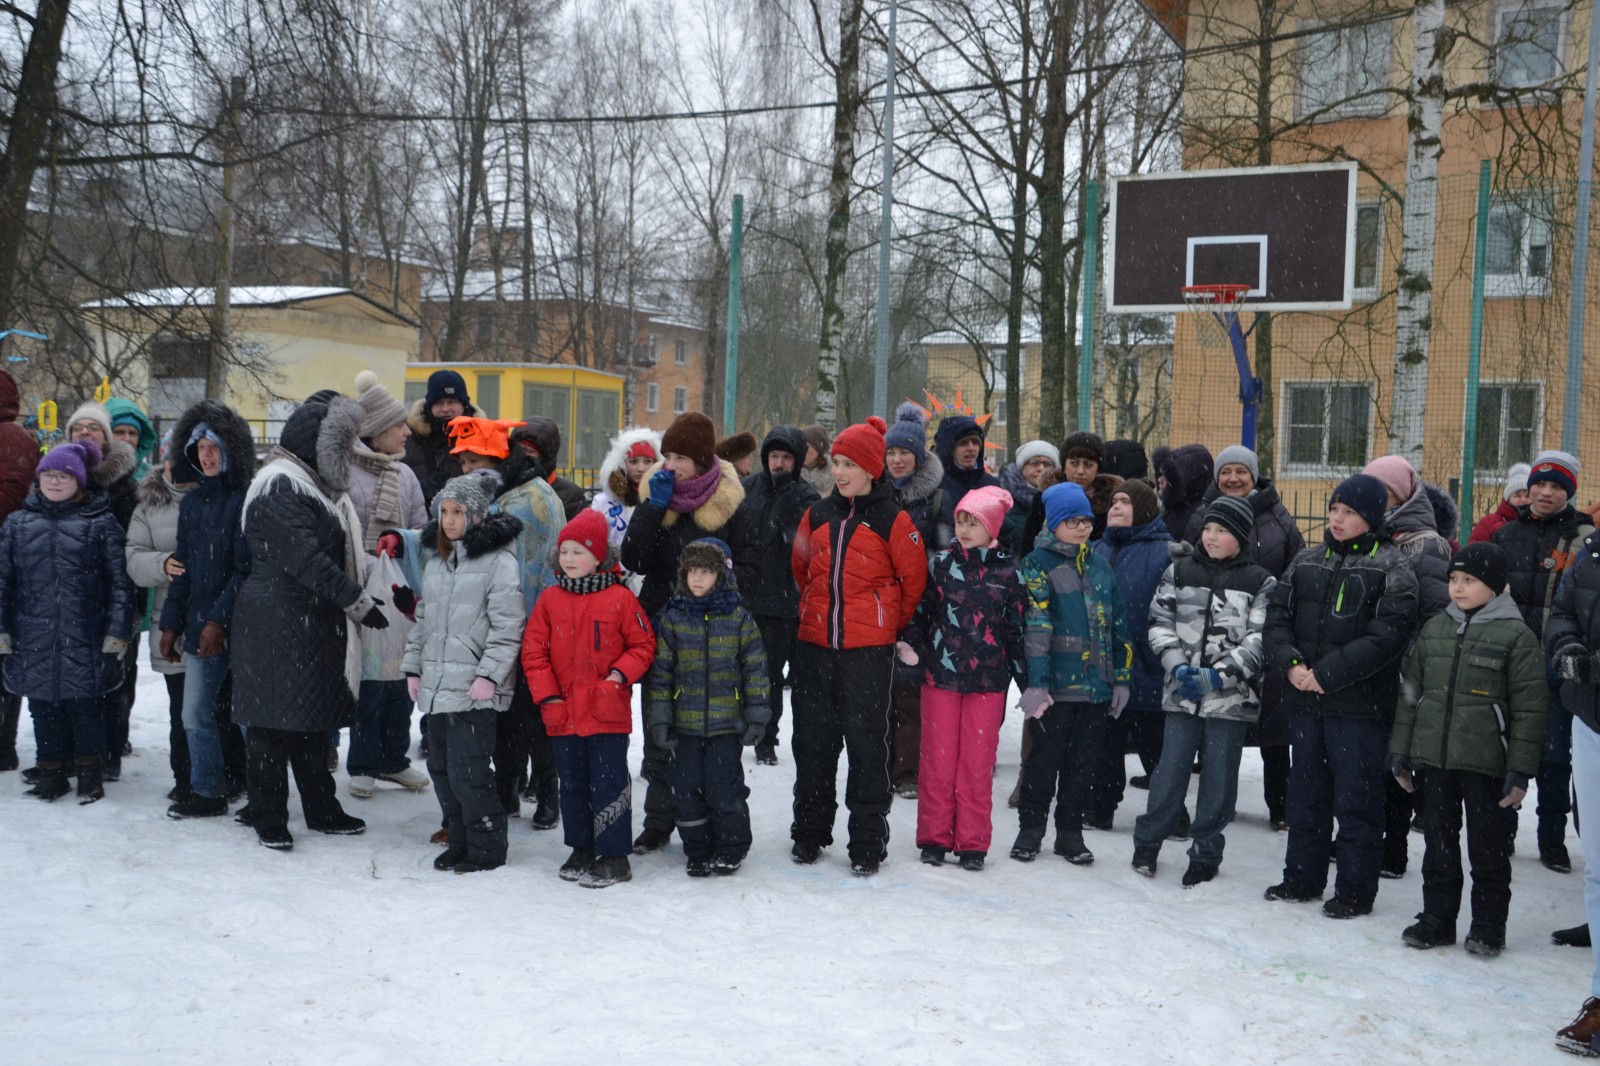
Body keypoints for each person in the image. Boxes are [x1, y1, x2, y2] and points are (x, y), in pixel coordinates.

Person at [1263, 474, 1419, 918]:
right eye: (1334, 509)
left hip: (1359, 708)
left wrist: (1327, 675)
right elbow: (1277, 617)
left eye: (1349, 512)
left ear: (1370, 517)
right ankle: (1302, 878)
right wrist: (1290, 664)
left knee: (1357, 801)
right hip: (1305, 703)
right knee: (1305, 795)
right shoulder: (1306, 560)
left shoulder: (1393, 567)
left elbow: (1387, 637)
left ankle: (1354, 890)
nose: (1337, 518)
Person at [231, 398, 381, 850]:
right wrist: (356, 601)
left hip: (309, 622)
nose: (348, 457)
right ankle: (268, 816)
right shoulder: (279, 485)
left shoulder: (313, 486)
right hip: (276, 622)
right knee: (271, 726)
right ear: (319, 447)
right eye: (342, 448)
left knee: (311, 722)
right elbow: (305, 559)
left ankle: (322, 808)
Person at [1390, 543, 1545, 955]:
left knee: (1487, 849)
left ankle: (1488, 926)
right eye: (1454, 579)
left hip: (1487, 764)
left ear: (1494, 586)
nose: (1458, 588)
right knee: (1438, 844)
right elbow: (1411, 694)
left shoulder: (1517, 636)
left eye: (1469, 580)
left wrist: (1520, 769)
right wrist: (1402, 750)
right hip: (1436, 760)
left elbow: (1530, 709)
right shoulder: (1435, 629)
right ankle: (1436, 919)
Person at [789, 416, 928, 875]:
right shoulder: (816, 514)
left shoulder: (894, 520)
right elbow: (800, 567)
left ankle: (867, 841)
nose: (840, 472)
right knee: (813, 744)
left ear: (871, 469)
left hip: (867, 655)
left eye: (850, 464)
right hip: (814, 648)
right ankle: (810, 831)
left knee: (868, 748)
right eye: (836, 463)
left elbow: (913, 582)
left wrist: (881, 624)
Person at [621, 411, 758, 854]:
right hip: (662, 627)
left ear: (700, 460)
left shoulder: (729, 500)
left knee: (708, 740)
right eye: (668, 456)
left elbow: (749, 565)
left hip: (713, 635)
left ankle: (712, 823)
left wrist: (718, 600)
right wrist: (652, 508)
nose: (671, 465)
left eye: (680, 457)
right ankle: (658, 822)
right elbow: (634, 559)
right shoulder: (656, 494)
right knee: (660, 731)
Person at [1132, 495, 1275, 886]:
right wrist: (1178, 667)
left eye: (1222, 530)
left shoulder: (1260, 581)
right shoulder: (1178, 572)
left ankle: (1206, 852)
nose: (1211, 536)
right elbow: (1159, 622)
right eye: (1208, 528)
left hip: (1230, 701)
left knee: (1219, 780)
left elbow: (1259, 639)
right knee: (1169, 772)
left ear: (1240, 537)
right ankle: (1148, 842)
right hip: (1182, 694)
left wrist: (1218, 677)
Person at [522, 509, 656, 888]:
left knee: (609, 783)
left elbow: (643, 645)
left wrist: (618, 676)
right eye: (564, 551)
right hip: (562, 711)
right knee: (573, 784)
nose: (568, 558)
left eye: (578, 552)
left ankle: (614, 856)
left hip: (606, 711)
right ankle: (581, 848)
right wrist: (548, 695)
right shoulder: (550, 600)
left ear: (598, 557)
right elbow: (534, 652)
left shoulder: (620, 599)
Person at [403, 472, 526, 873]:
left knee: (468, 771)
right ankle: (459, 838)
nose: (449, 520)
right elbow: (424, 620)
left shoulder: (498, 561)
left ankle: (487, 847)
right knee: (440, 768)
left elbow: (508, 625)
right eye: (444, 512)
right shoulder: (438, 562)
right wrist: (413, 668)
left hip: (474, 688)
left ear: (475, 516)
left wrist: (489, 675)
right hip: (438, 685)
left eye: (457, 512)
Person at [0, 440, 134, 803]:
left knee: (85, 706)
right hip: (32, 634)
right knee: (42, 707)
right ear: (38, 479)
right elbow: (3, 581)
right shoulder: (17, 525)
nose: (55, 482)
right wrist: (3, 628)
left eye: (63, 476)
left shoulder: (101, 524)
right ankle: (51, 773)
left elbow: (119, 583)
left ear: (78, 481)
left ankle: (90, 775)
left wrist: (117, 630)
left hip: (85, 632)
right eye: (48, 475)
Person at [901, 485, 1025, 872]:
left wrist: (1029, 681)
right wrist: (910, 643)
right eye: (961, 521)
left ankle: (972, 842)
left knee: (976, 765)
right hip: (940, 677)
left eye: (975, 523)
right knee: (937, 762)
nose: (965, 530)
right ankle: (934, 838)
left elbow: (1017, 631)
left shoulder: (1008, 573)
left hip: (987, 683)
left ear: (993, 528)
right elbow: (922, 611)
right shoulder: (940, 564)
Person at [1183, 444, 1303, 830]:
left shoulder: (1277, 517)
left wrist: (1276, 608)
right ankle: (1218, 802)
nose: (1233, 478)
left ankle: (1281, 806)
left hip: (1267, 631)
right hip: (1215, 633)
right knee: (1220, 721)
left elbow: (1295, 567)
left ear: (1254, 476)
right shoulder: (1203, 514)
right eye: (1226, 472)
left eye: (1241, 472)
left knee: (1274, 728)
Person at [1011, 482, 1132, 866]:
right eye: (1072, 521)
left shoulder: (1099, 565)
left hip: (1095, 689)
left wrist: (1121, 677)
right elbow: (1036, 628)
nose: (1081, 528)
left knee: (1083, 766)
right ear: (1053, 523)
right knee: (1043, 763)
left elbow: (1119, 624)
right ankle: (1031, 830)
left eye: (1086, 520)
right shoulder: (1037, 564)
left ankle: (1070, 833)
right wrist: (1038, 684)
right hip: (1055, 691)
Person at [1492, 450, 1594, 874]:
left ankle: (1552, 839)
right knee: (1504, 748)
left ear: (1569, 492)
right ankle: (1502, 829)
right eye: (1540, 484)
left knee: (1554, 755)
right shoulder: (1504, 536)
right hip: (1510, 661)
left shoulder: (1584, 538)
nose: (1546, 493)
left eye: (1556, 486)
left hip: (1557, 663)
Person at [645, 537, 770, 877]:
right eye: (692, 571)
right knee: (686, 790)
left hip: (726, 726)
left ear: (722, 576)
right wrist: (661, 720)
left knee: (723, 788)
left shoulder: (739, 618)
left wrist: (757, 716)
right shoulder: (673, 618)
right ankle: (698, 849)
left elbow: (756, 670)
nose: (697, 578)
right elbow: (661, 676)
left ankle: (730, 847)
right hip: (684, 726)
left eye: (706, 571)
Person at [158, 400, 257, 819]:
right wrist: (170, 624)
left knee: (251, 720)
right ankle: (208, 791)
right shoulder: (192, 504)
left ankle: (264, 797)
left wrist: (219, 619)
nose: (207, 455)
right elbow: (183, 568)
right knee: (194, 714)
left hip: (244, 629)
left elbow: (245, 569)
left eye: (214, 446)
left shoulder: (246, 500)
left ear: (231, 449)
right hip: (199, 627)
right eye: (200, 447)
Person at [1364, 453, 1456, 879]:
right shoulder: (1370, 533)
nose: (1372, 496)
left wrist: (1411, 668)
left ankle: (1394, 848)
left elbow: (1435, 614)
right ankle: (1367, 838)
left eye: (1381, 490)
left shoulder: (1427, 543)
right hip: (1368, 665)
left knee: (1395, 761)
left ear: (1400, 495)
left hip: (1403, 669)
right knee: (1367, 758)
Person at [346, 371, 430, 798]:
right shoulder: (344, 474)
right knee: (369, 680)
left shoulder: (406, 475)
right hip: (361, 589)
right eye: (398, 424)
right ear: (377, 429)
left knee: (401, 677)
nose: (406, 432)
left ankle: (395, 759)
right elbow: (343, 535)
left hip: (403, 594)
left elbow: (422, 530)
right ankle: (363, 762)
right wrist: (372, 567)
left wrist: (404, 554)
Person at [1090, 478, 1177, 830]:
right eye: (1114, 501)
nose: (1116, 507)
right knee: (1104, 747)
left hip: (1147, 667)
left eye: (1125, 502)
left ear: (1143, 509)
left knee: (1155, 749)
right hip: (1103, 668)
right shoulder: (1097, 548)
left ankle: (1173, 816)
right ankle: (1100, 809)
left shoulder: (1165, 551)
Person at [733, 425, 819, 766]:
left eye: (786, 457)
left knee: (769, 677)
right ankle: (736, 730)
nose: (779, 463)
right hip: (744, 598)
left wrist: (786, 500)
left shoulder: (806, 496)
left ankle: (767, 738)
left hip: (783, 604)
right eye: (773, 456)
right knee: (738, 672)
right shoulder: (747, 488)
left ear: (796, 461)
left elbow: (803, 545)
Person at [1546, 528, 1600, 1052]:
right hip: (1592, 721)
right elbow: (1562, 612)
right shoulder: (1592, 554)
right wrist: (1570, 649)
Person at [66, 401, 140, 778]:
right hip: (67, 597)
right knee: (68, 677)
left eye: (93, 427)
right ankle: (70, 752)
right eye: (78, 427)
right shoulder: (57, 476)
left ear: (106, 439)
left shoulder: (124, 484)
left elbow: (131, 543)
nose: (85, 432)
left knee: (114, 678)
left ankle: (109, 752)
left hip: (113, 594)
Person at [126, 436, 195, 802]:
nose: (179, 466)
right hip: (170, 623)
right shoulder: (149, 502)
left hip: (216, 620)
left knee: (219, 708)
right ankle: (185, 778)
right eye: (172, 458)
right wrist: (162, 563)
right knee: (181, 709)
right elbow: (133, 556)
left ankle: (227, 776)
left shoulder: (218, 496)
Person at [884, 402, 946, 797]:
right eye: (891, 452)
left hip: (920, 609)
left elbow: (944, 555)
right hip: (878, 604)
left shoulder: (936, 499)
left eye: (904, 452)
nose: (896, 460)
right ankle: (880, 767)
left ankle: (906, 771)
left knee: (908, 694)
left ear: (919, 456)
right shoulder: (875, 494)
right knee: (879, 695)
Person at [0, 367, 39, 772]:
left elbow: (9, 499)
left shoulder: (12, 438)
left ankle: (3, 746)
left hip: (6, 559)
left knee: (3, 653)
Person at [590, 426, 662, 589]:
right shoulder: (603, 502)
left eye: (648, 461)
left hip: (650, 582)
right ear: (622, 463)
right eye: (634, 461)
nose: (641, 468)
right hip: (611, 581)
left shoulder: (663, 502)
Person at [403, 369, 477, 506]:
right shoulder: (409, 436)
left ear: (464, 404)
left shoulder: (482, 435)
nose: (445, 409)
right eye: (439, 403)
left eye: (451, 402)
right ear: (429, 406)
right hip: (420, 511)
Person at [932, 412, 998, 539]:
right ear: (949, 448)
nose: (971, 448)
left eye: (975, 442)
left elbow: (1002, 531)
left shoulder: (992, 485)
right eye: (963, 443)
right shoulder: (934, 484)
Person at [512, 418, 585, 521]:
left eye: (529, 451)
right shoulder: (505, 487)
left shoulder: (570, 495)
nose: (522, 455)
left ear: (545, 457)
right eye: (518, 449)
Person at [998, 440, 1057, 557]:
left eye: (1047, 464)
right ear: (1022, 467)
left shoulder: (1062, 500)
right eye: (1034, 462)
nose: (1041, 468)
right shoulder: (1003, 499)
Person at [1152, 443, 1214, 547]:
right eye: (1160, 474)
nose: (1159, 480)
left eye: (1166, 475)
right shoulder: (1173, 510)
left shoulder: (1197, 517)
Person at [1469, 463, 1530, 545]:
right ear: (1508, 498)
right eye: (1518, 496)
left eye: (1528, 496)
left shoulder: (1539, 523)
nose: (1523, 500)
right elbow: (1474, 549)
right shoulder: (1488, 523)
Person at [105, 397, 159, 480]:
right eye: (120, 432)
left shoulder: (153, 478)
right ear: (105, 436)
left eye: (132, 433)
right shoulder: (91, 474)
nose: (127, 439)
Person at [799, 424, 833, 497]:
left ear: (819, 449)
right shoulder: (791, 472)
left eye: (806, 447)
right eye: (800, 446)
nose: (802, 450)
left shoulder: (835, 476)